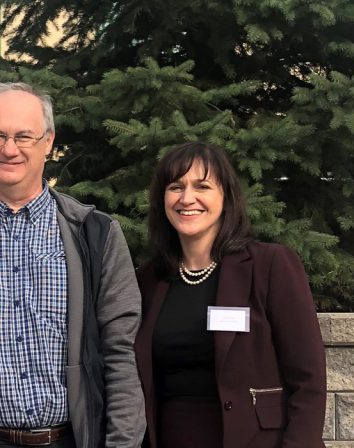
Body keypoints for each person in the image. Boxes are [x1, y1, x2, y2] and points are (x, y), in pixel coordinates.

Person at [0, 82, 146, 448]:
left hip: (71, 439)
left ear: (48, 141)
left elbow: (120, 352)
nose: (10, 149)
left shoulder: (96, 235)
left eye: (24, 136)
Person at [134, 141, 327, 448]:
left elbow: (309, 381)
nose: (187, 198)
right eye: (175, 187)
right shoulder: (148, 280)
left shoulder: (270, 265)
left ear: (226, 196)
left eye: (202, 186)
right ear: (162, 199)